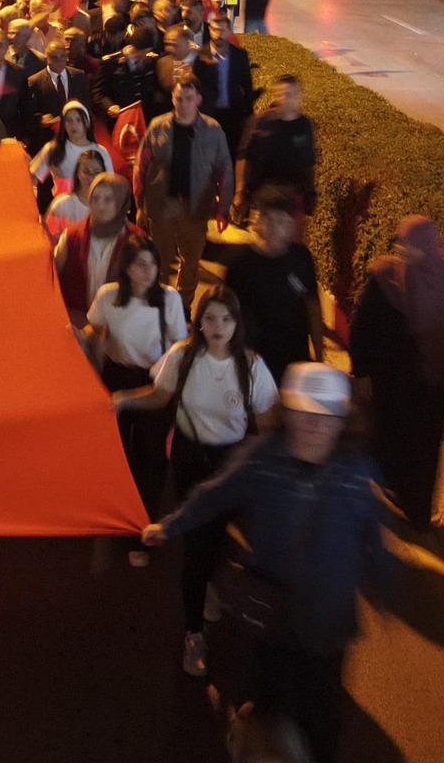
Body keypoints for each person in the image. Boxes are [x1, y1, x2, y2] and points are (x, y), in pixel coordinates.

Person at [142, 363, 388, 763]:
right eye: (305, 414)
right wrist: (171, 525)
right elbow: (213, 495)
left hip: (329, 623)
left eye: (328, 416)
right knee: (269, 711)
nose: (316, 426)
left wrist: (384, 580)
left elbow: (372, 535)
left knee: (323, 722)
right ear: (286, 413)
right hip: (271, 617)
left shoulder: (356, 473)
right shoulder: (262, 460)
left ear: (343, 421)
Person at [113, 286, 278, 678]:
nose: (218, 326)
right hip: (190, 458)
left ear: (237, 323)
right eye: (210, 318)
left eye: (226, 318)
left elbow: (268, 424)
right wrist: (123, 399)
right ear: (198, 321)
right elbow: (160, 396)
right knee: (197, 541)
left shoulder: (251, 366)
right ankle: (193, 633)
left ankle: (207, 581)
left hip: (230, 463)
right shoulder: (183, 356)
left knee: (217, 537)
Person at [349, 215, 444, 529]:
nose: (402, 249)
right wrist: (361, 371)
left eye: (410, 243)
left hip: (430, 385)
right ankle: (383, 498)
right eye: (401, 241)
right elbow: (362, 327)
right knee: (388, 440)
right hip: (391, 382)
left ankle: (417, 513)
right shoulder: (385, 276)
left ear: (427, 245)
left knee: (423, 451)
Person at [83, 240, 186, 528]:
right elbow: (94, 328)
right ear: (126, 267)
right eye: (141, 264)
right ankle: (114, 509)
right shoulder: (109, 296)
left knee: (150, 453)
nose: (148, 271)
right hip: (116, 374)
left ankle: (144, 518)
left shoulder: (169, 299)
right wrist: (79, 336)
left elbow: (179, 345)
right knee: (115, 448)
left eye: (153, 264)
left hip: (153, 379)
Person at [214, 189, 327, 385]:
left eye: (282, 221)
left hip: (294, 361)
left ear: (291, 226)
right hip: (252, 361)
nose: (274, 227)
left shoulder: (301, 259)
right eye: (269, 219)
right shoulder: (239, 262)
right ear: (257, 221)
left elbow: (312, 307)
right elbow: (225, 313)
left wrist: (319, 355)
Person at [137, 69, 234, 294]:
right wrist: (140, 203)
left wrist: (223, 209)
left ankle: (183, 304)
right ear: (172, 98)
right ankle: (159, 299)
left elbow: (225, 170)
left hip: (196, 207)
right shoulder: (158, 126)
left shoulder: (212, 130)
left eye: (189, 99)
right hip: (162, 204)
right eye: (179, 98)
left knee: (190, 262)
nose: (183, 104)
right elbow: (141, 166)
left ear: (198, 99)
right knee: (159, 259)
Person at [238, 74, 316, 218]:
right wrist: (241, 191)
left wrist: (310, 192)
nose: (285, 99)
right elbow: (246, 157)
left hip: (292, 199)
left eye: (291, 94)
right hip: (263, 196)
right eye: (281, 94)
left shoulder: (304, 125)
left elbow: (308, 162)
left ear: (299, 96)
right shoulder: (262, 122)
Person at [29, 99, 110, 205]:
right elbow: (33, 179)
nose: (73, 125)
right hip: (64, 208)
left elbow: (110, 185)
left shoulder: (100, 151)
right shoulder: (53, 149)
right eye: (69, 120)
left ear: (87, 122)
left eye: (78, 120)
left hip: (95, 208)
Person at [42, 148, 106, 240]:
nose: (91, 177)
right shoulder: (63, 204)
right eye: (86, 172)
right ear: (78, 173)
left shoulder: (109, 206)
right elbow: (48, 237)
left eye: (97, 172)